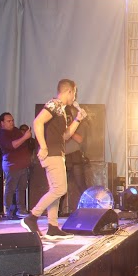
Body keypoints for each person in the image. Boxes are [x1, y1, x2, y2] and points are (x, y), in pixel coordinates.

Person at [21, 78, 86, 238]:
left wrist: (78, 119)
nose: (74, 98)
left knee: (55, 189)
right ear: (68, 91)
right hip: (51, 153)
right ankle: (32, 217)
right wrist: (43, 146)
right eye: (74, 93)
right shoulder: (54, 104)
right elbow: (38, 122)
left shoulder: (61, 110)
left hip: (58, 153)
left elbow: (65, 136)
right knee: (60, 189)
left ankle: (53, 226)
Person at [0, 112, 32, 219]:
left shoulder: (16, 130)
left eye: (12, 120)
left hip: (23, 165)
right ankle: (8, 210)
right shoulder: (3, 134)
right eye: (9, 121)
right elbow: (13, 145)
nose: (11, 122)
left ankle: (21, 209)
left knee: (21, 188)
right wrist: (25, 137)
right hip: (12, 165)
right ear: (2, 123)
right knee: (11, 188)